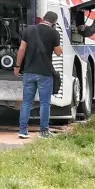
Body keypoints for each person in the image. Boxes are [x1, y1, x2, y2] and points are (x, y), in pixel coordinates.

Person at [14, 10, 63, 139]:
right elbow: (59, 52)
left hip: (29, 72)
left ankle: (23, 131)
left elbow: (22, 50)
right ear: (54, 22)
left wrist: (17, 66)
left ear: (43, 19)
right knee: (45, 103)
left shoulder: (29, 30)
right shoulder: (54, 33)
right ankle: (43, 131)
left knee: (26, 102)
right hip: (45, 73)